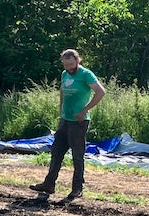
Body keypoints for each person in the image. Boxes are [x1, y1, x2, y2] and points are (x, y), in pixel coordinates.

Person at [30, 49, 107, 201]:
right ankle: (49, 184)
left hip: (79, 122)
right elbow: (62, 91)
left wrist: (85, 110)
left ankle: (77, 188)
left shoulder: (86, 74)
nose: (69, 68)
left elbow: (101, 92)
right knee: (56, 152)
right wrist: (61, 110)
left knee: (77, 155)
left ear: (78, 61)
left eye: (71, 64)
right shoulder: (65, 74)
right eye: (66, 65)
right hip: (65, 120)